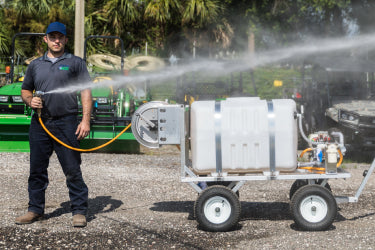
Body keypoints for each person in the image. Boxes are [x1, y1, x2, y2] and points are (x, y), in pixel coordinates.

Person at [15, 22, 92, 227]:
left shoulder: (75, 63)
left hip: (67, 122)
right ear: (45, 39)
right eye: (52, 37)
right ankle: (35, 210)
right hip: (40, 123)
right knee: (37, 169)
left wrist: (85, 120)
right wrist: (30, 100)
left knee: (72, 168)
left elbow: (86, 91)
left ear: (66, 40)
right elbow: (25, 90)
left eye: (60, 37)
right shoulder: (35, 65)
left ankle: (79, 211)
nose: (56, 40)